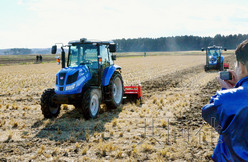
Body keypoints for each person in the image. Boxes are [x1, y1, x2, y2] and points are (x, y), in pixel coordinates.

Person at [202, 39, 248, 161]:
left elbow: (208, 113)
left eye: (237, 64)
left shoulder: (224, 99)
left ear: (242, 66)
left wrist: (227, 90)